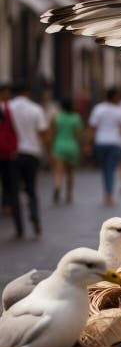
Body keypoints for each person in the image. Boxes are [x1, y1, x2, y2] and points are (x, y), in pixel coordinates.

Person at [8, 85, 48, 237]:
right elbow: (42, 132)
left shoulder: (7, 108)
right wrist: (48, 152)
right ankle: (34, 215)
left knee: (14, 191)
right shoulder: (35, 109)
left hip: (13, 154)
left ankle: (19, 227)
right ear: (27, 92)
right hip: (32, 152)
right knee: (31, 188)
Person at [88, 88, 121, 206]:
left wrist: (87, 143)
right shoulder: (120, 111)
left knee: (105, 169)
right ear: (114, 97)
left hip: (101, 142)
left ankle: (107, 193)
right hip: (114, 143)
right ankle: (108, 195)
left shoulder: (98, 109)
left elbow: (92, 127)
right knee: (110, 169)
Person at [51, 98, 83, 204]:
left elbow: (52, 133)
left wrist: (51, 147)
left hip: (59, 145)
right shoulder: (76, 118)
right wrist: (81, 147)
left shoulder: (56, 117)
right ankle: (68, 194)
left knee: (58, 171)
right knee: (70, 172)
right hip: (72, 146)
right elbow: (78, 135)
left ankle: (57, 186)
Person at [0, 85, 19, 224]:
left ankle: (6, 203)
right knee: (7, 177)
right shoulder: (8, 108)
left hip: (6, 147)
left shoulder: (10, 107)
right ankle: (7, 204)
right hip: (5, 147)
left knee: (7, 177)